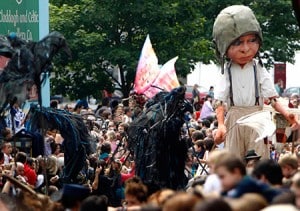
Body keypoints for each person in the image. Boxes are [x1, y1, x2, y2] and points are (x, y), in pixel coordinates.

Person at [212, 5, 299, 160]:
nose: (246, 49)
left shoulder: (258, 68)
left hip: (258, 118)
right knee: (233, 160)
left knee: (259, 158)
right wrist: (221, 124)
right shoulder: (227, 70)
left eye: (251, 41)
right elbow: (219, 101)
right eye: (238, 43)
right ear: (225, 46)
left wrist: (287, 115)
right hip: (234, 119)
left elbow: (272, 99)